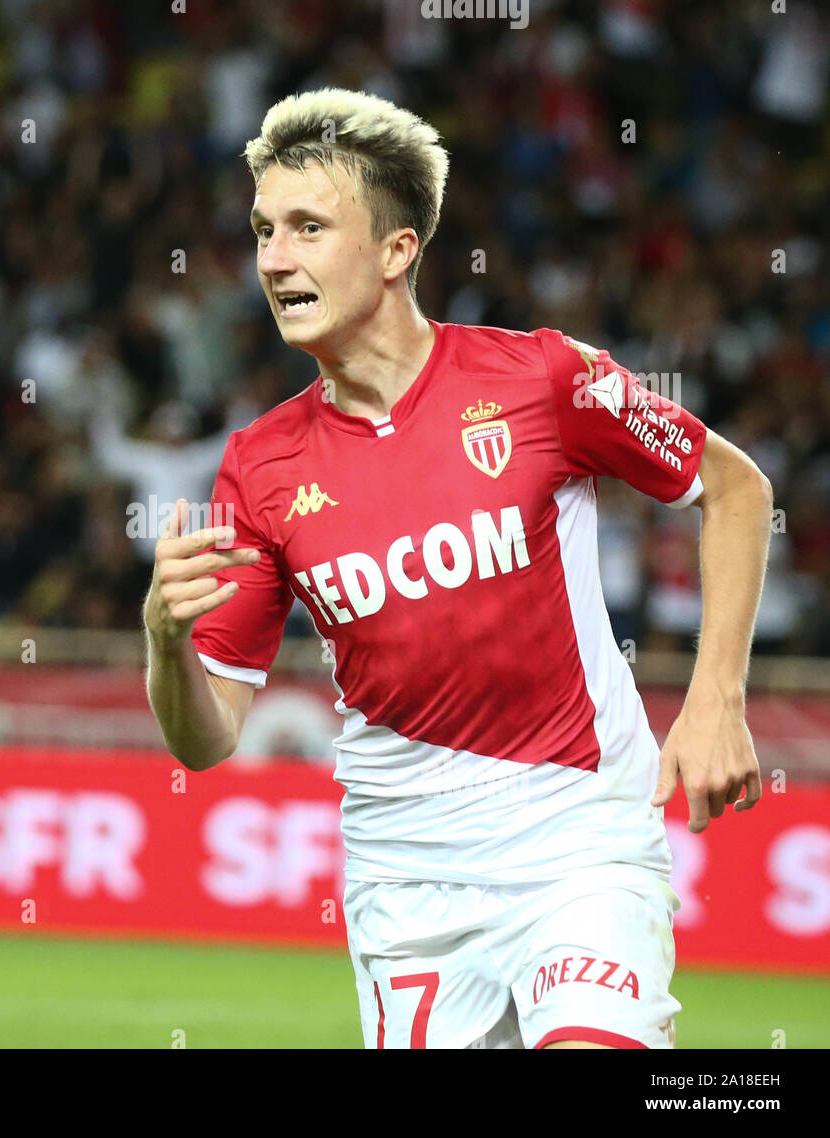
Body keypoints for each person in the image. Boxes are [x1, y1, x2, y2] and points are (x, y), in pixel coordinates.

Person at [142, 89, 773, 1050]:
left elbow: (736, 491)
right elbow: (206, 739)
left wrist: (716, 696)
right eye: (265, 230)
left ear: (398, 252)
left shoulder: (544, 381)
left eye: (310, 228)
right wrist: (166, 647)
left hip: (578, 839)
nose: (274, 259)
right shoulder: (259, 466)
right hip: (407, 883)